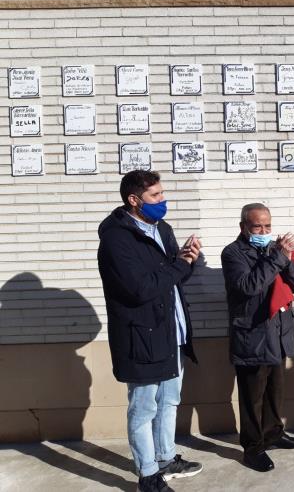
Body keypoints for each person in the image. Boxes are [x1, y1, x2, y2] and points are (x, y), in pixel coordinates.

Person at [97, 170, 203, 492]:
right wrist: (180, 265)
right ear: (134, 200)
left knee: (170, 400)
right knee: (144, 407)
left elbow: (172, 278)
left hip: (171, 331)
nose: (162, 200)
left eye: (162, 193)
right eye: (155, 196)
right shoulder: (117, 238)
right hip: (141, 336)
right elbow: (140, 289)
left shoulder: (162, 228)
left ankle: (166, 457)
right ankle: (148, 475)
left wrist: (188, 259)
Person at [221, 203, 294, 472]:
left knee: (274, 391)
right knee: (252, 397)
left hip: (278, 334)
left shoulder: (274, 250)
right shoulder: (232, 253)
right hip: (252, 335)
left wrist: (286, 256)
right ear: (243, 227)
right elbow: (249, 286)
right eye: (257, 226)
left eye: (268, 226)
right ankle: (253, 447)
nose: (264, 231)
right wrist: (278, 258)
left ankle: (273, 433)